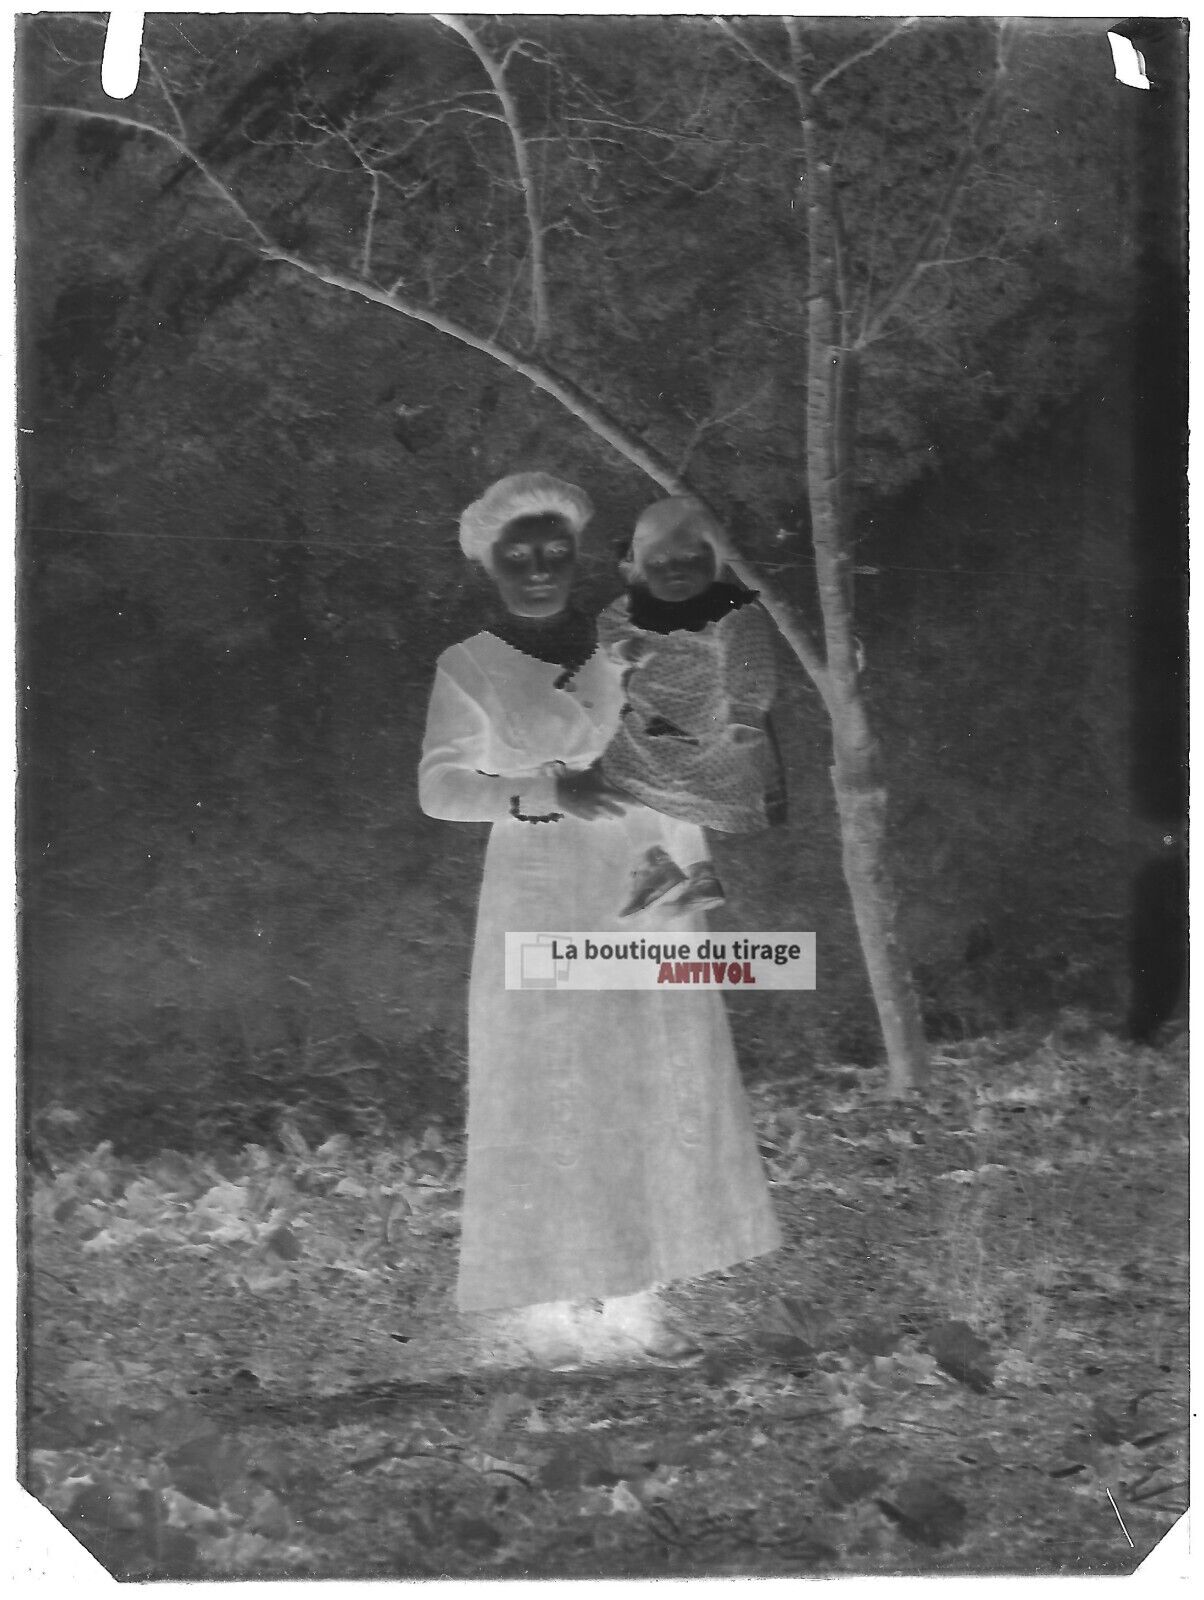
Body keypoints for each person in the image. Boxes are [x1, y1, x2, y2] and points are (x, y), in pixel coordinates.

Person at [418, 472, 781, 1369]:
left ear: (581, 558)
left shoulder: (632, 625)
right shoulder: (470, 665)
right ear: (488, 560)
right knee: (543, 1080)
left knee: (647, 1072)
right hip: (538, 882)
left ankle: (636, 1304)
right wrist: (544, 790)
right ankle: (545, 1311)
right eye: (519, 552)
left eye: (554, 551)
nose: (539, 568)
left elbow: (702, 725)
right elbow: (440, 789)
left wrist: (694, 878)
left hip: (641, 873)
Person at [597, 495, 786, 919]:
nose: (675, 570)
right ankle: (678, 869)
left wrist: (746, 710)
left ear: (715, 558)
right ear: (643, 568)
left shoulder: (730, 608)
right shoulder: (640, 603)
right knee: (636, 784)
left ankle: (677, 868)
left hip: (706, 721)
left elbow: (749, 658)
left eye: (688, 557)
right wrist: (623, 644)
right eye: (660, 563)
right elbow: (609, 624)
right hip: (655, 715)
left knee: (671, 789)